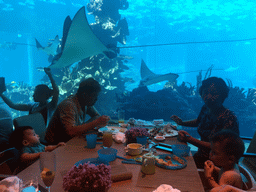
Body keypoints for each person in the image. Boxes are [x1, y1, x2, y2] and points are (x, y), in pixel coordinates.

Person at [171, 77, 239, 168]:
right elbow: (198, 121)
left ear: (223, 95)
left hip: (217, 165)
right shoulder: (206, 108)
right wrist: (182, 123)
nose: (208, 97)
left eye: (214, 93)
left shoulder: (229, 118)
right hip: (201, 157)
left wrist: (189, 139)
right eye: (205, 93)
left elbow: (217, 147)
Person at [45, 78, 110, 145]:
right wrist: (96, 122)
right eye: (94, 96)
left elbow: (96, 116)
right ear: (85, 95)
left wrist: (85, 127)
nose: (96, 99)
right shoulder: (68, 105)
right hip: (55, 145)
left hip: (70, 141)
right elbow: (71, 132)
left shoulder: (85, 102)